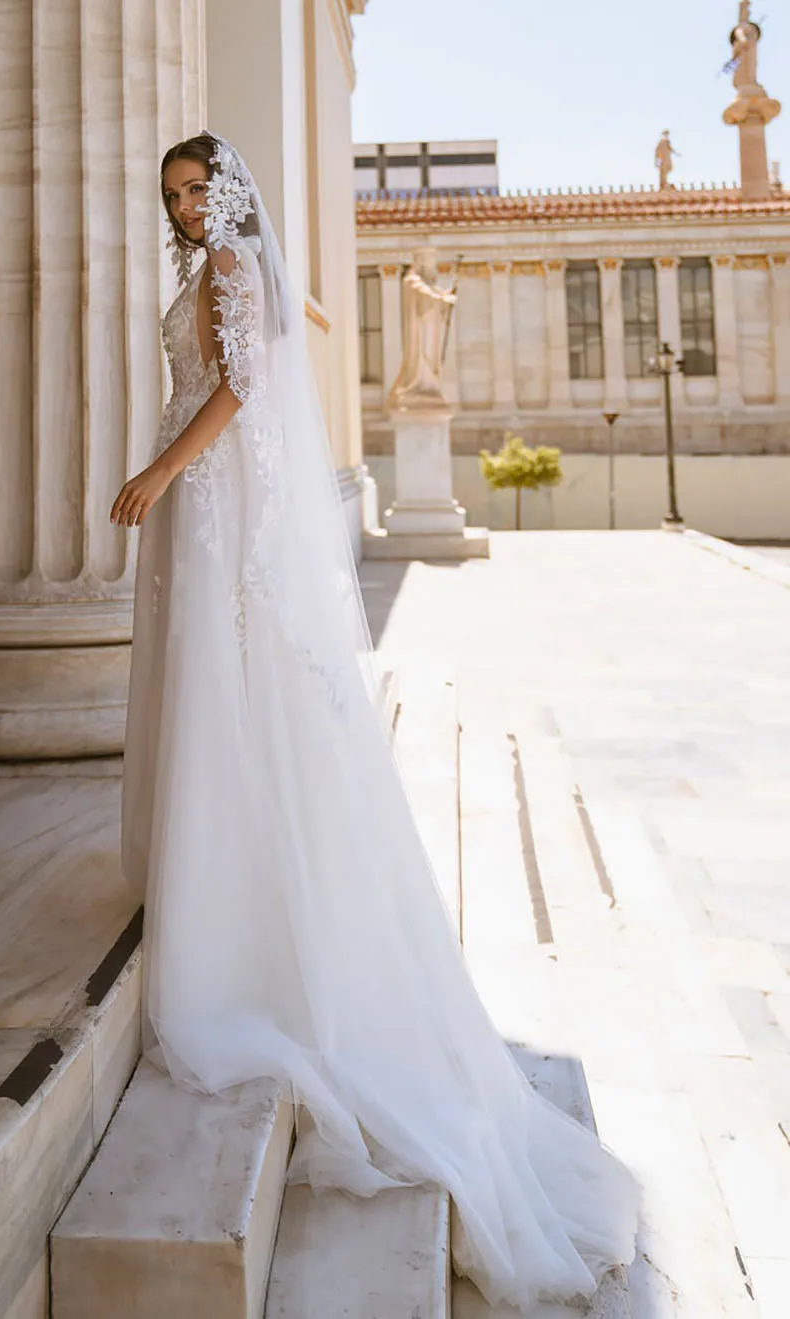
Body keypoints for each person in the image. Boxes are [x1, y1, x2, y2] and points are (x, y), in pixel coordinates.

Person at [111, 133, 639, 1312]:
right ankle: (203, 869)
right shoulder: (206, 275)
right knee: (203, 699)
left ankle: (232, 913)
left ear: (231, 194)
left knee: (233, 698)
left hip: (213, 511)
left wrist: (157, 474)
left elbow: (241, 395)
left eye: (201, 190)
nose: (190, 209)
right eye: (176, 198)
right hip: (199, 519)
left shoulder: (237, 274)